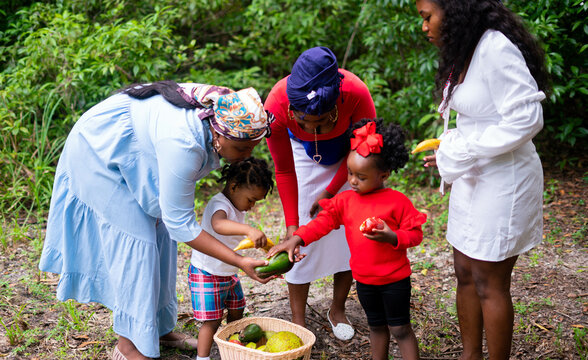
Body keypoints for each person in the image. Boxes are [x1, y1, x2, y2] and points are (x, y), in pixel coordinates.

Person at [38, 81, 276, 360]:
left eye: (252, 148)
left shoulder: (224, 111)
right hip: (100, 148)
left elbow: (172, 220)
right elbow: (182, 225)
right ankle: (127, 346)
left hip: (142, 142)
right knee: (137, 246)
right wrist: (239, 262)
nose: (246, 156)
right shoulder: (184, 144)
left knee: (160, 237)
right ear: (218, 135)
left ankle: (158, 328)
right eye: (242, 148)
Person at [415, 0, 549, 359]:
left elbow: (527, 117)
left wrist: (469, 149)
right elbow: (478, 117)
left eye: (428, 17)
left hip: (505, 178)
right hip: (472, 175)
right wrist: (449, 150)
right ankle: (470, 355)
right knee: (463, 271)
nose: (424, 27)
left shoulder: (494, 47)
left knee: (490, 281)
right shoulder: (465, 49)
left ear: (454, 10)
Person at [269, 119, 427, 360]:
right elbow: (322, 223)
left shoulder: (397, 201)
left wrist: (392, 236)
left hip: (395, 281)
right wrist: (298, 237)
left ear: (383, 175)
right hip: (364, 281)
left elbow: (415, 235)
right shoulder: (346, 200)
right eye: (350, 173)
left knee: (400, 329)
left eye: (361, 177)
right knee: (376, 327)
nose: (352, 181)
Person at [264, 46, 376, 339]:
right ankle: (298, 319)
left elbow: (363, 148)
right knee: (301, 234)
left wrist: (331, 191)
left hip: (348, 159)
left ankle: (337, 308)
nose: (313, 129)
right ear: (291, 110)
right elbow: (285, 170)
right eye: (304, 123)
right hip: (301, 157)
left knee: (348, 232)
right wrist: (292, 226)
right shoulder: (276, 105)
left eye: (322, 123)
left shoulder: (356, 93)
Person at [188, 158, 273, 360]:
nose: (252, 206)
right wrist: (248, 229)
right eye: (251, 200)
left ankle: (231, 342)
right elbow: (218, 225)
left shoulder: (237, 205)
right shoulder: (220, 203)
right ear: (234, 186)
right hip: (206, 273)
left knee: (237, 309)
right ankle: (203, 357)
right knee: (212, 320)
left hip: (228, 272)